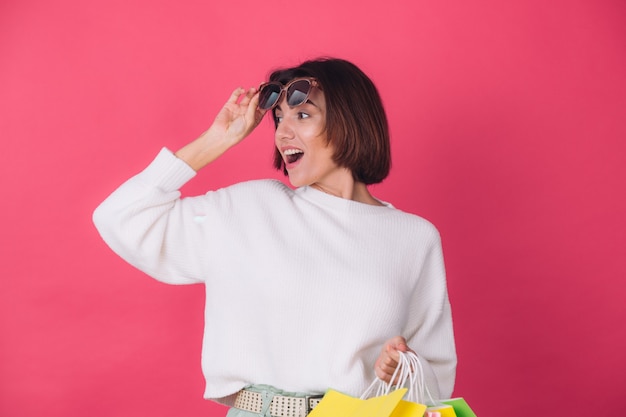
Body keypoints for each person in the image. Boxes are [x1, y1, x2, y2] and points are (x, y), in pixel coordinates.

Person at [93, 57, 456, 417]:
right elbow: (120, 217)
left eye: (302, 114)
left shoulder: (414, 237)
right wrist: (217, 140)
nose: (282, 133)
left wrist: (400, 369)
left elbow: (434, 376)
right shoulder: (250, 208)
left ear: (351, 121)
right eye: (278, 117)